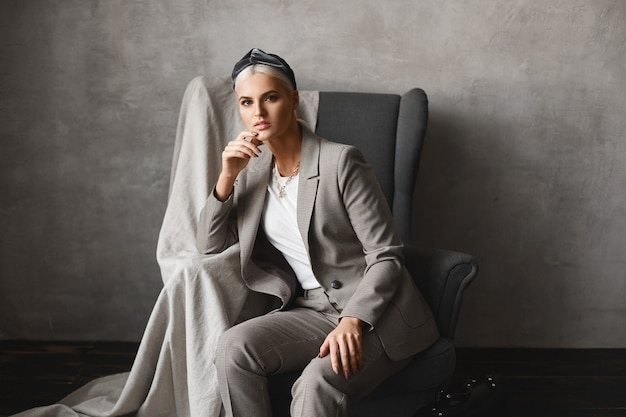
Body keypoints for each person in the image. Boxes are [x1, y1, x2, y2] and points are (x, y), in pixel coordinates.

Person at [196, 48, 440, 417]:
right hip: (311, 308)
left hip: (378, 315)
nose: (258, 113)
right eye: (247, 102)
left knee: (315, 382)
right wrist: (227, 176)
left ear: (293, 100)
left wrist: (352, 321)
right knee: (233, 347)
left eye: (270, 98)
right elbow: (209, 244)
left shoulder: (341, 161)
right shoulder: (253, 173)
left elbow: (386, 255)